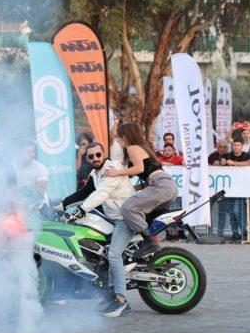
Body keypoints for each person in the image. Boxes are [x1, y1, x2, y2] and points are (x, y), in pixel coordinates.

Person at [61, 141, 135, 317]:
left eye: (98, 154)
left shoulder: (111, 168)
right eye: (91, 156)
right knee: (100, 252)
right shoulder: (95, 174)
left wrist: (79, 211)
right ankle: (109, 294)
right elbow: (84, 193)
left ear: (104, 154)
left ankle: (121, 301)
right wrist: (61, 205)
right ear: (87, 159)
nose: (95, 158)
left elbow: (101, 194)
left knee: (114, 254)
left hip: (125, 218)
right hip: (113, 218)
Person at [102, 122, 178, 258]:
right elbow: (146, 176)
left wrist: (117, 172)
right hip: (167, 186)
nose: (118, 140)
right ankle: (145, 249)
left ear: (126, 136)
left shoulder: (133, 148)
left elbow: (139, 168)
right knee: (141, 216)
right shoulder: (143, 148)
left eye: (119, 136)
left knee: (128, 207)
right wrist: (128, 187)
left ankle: (149, 243)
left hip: (160, 185)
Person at [217, 139, 250, 242]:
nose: (236, 147)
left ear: (242, 146)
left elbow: (249, 162)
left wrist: (234, 163)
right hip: (228, 189)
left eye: (238, 145)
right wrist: (222, 162)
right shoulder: (227, 155)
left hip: (241, 189)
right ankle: (235, 233)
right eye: (234, 145)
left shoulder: (246, 155)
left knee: (238, 211)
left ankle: (244, 232)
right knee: (231, 212)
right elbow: (219, 162)